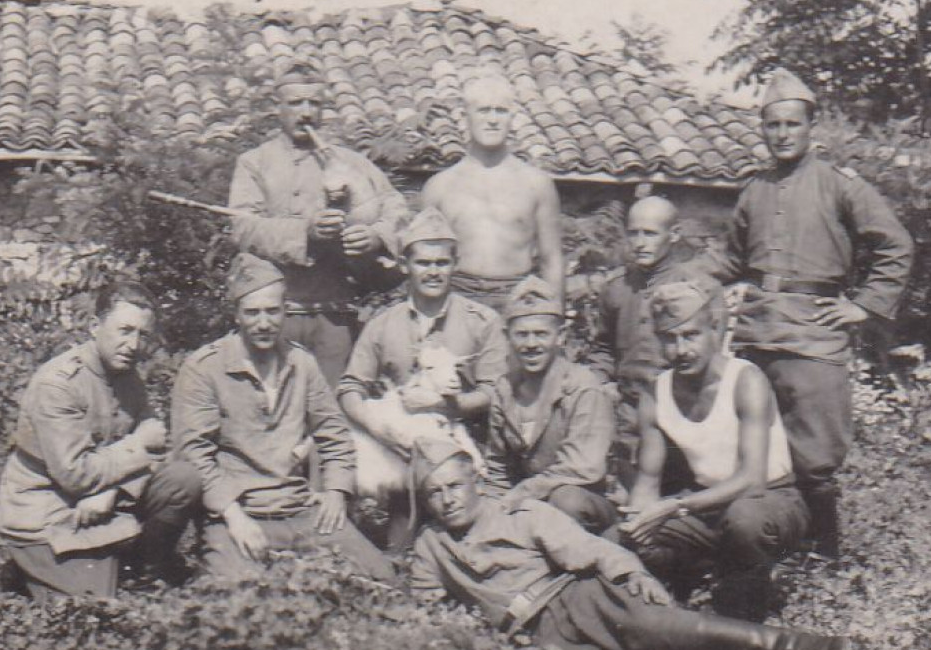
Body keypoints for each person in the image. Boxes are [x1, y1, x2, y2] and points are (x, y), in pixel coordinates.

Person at [407, 435, 846, 650]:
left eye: (454, 486)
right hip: (529, 635)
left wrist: (635, 574)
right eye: (435, 493)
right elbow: (427, 608)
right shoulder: (431, 545)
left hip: (581, 598)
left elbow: (591, 550)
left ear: (474, 482)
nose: (447, 500)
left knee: (679, 630)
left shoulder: (521, 513)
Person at [701, 70, 913, 556]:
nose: (782, 134)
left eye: (791, 124)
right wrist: (687, 277)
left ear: (810, 127)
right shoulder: (754, 189)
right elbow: (732, 258)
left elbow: (894, 244)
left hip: (815, 333)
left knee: (815, 456)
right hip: (757, 330)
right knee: (753, 444)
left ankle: (826, 554)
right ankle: (761, 543)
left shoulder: (840, 185)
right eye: (772, 125)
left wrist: (863, 306)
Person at [170, 254, 395, 582]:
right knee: (239, 594)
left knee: (381, 577)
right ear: (236, 314)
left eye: (273, 311)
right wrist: (234, 517)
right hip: (239, 512)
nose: (264, 323)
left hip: (300, 509)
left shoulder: (301, 363)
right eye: (252, 312)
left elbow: (333, 432)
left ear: (285, 310)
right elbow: (194, 455)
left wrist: (336, 492)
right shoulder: (204, 368)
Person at [0, 280, 204, 603]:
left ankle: (146, 571)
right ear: (95, 326)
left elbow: (158, 445)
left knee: (182, 479)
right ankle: (27, 568)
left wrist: (114, 489)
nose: (133, 344)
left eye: (142, 334)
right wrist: (136, 448)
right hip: (50, 509)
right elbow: (75, 475)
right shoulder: (59, 384)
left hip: (99, 500)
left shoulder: (128, 377)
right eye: (124, 330)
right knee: (93, 607)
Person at [621, 280, 809, 620]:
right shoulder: (655, 392)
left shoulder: (745, 380)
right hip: (705, 506)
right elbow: (647, 483)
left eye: (691, 335)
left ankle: (745, 624)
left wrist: (675, 506)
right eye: (668, 337)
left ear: (715, 329)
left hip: (771, 501)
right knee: (621, 541)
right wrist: (636, 524)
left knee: (744, 521)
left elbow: (752, 481)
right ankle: (677, 601)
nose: (680, 350)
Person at [227, 59, 412, 386]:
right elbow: (243, 228)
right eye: (296, 103)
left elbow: (397, 209)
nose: (306, 112)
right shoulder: (254, 163)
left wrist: (376, 237)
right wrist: (306, 232)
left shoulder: (349, 162)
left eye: (314, 103)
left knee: (332, 410)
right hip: (274, 315)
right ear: (278, 107)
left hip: (334, 313)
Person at [339, 208, 509, 546]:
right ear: (405, 266)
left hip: (462, 451)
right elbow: (349, 388)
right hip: (399, 449)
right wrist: (380, 429)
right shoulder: (384, 324)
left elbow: (496, 391)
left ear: (455, 264)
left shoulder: (482, 321)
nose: (433, 272)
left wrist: (449, 405)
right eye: (423, 263)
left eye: (442, 263)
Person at [484, 276, 619, 535]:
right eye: (522, 335)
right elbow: (498, 468)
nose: (531, 344)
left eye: (541, 334)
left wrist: (521, 495)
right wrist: (491, 512)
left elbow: (583, 468)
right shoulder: (505, 389)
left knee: (565, 500)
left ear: (561, 337)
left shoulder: (582, 387)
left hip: (583, 502)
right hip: (528, 503)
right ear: (507, 337)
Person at [419, 72, 565, 310]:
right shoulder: (439, 186)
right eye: (484, 110)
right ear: (467, 116)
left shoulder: (536, 184)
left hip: (518, 296)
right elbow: (421, 261)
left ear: (512, 117)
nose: (493, 119)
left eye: (501, 111)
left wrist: (554, 314)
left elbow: (552, 260)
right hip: (455, 297)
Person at [590, 195, 713, 473]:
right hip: (627, 413)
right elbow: (602, 348)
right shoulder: (617, 287)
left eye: (650, 234)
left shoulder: (698, 288)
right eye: (633, 234)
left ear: (674, 234)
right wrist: (599, 383)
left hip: (680, 412)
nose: (640, 242)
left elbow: (712, 357)